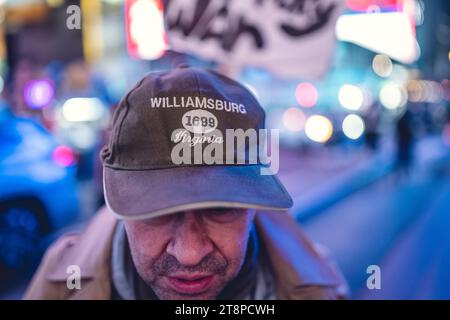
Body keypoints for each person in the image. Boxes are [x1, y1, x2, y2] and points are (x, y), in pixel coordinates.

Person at [24, 66, 347, 300]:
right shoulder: (59, 282)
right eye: (157, 209)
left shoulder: (321, 287)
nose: (190, 254)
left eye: (221, 208)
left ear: (253, 207)